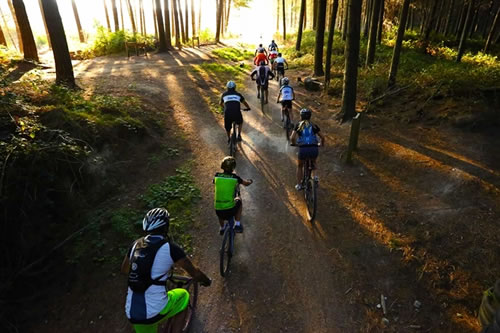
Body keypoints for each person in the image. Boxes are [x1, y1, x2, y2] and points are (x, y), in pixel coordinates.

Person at [122, 208, 211, 333]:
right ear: (166, 227)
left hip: (132, 311)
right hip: (155, 309)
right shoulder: (170, 248)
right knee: (183, 296)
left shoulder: (135, 245)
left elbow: (125, 269)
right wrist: (206, 281)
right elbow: (194, 272)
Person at [214, 156, 253, 234]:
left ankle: (222, 228)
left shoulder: (216, 176)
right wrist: (250, 181)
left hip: (218, 210)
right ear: (233, 167)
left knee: (219, 207)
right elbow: (245, 183)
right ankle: (237, 224)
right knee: (239, 200)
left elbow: (214, 182)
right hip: (230, 210)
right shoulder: (235, 177)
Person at [290, 108, 325, 191]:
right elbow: (322, 137)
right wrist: (321, 144)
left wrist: (294, 143)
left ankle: (299, 185)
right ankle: (315, 177)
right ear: (310, 116)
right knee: (314, 161)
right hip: (313, 148)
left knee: (300, 166)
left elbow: (292, 137)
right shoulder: (314, 125)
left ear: (301, 116)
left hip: (303, 149)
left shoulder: (298, 125)